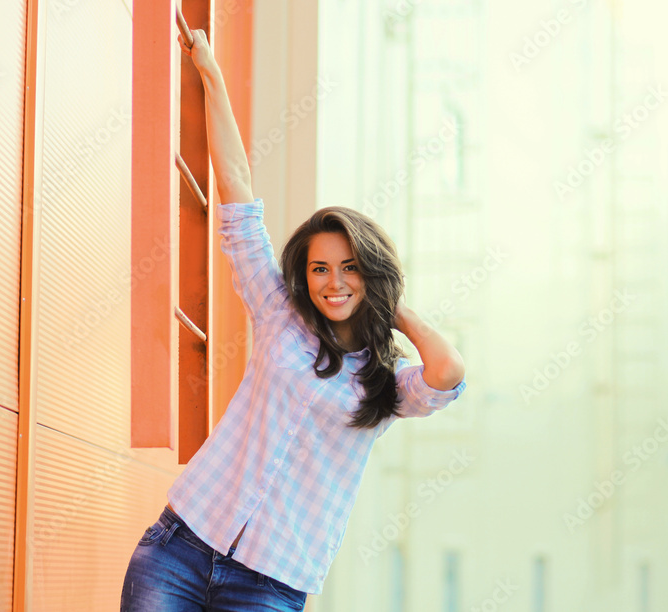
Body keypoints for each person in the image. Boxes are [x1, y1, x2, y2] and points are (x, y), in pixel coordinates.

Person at [120, 27, 467, 612]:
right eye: (320, 269)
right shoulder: (279, 314)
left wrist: (390, 302)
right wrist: (210, 72)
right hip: (181, 548)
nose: (333, 283)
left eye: (350, 268)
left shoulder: (384, 387)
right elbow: (235, 191)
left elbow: (448, 372)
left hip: (270, 586)